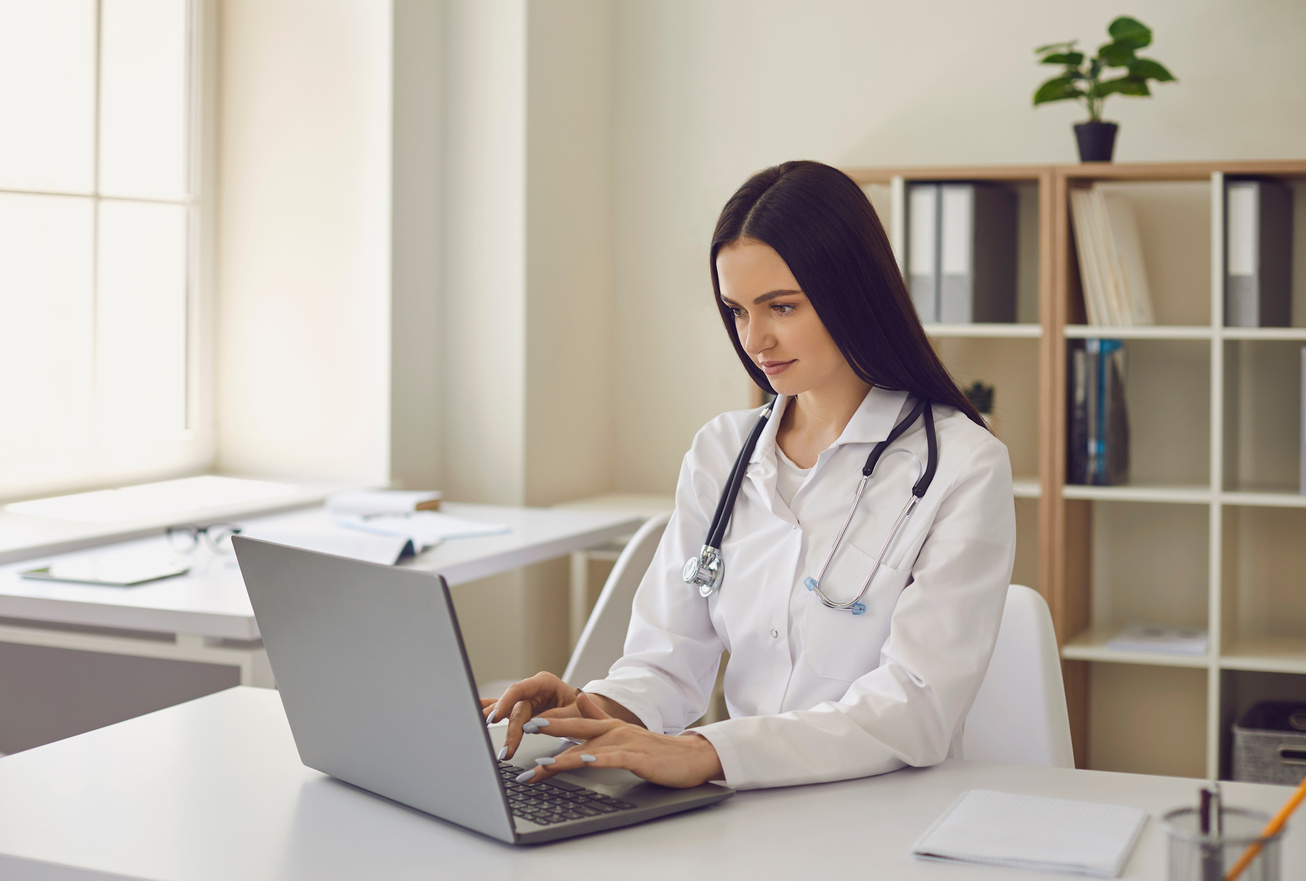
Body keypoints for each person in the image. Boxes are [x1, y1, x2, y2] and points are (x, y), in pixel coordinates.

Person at [484, 160, 1016, 791]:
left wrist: (712, 751)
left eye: (781, 307)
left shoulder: (960, 464)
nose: (755, 339)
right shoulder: (721, 453)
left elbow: (915, 710)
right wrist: (594, 711)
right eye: (736, 311)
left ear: (854, 294)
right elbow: (666, 663)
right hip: (746, 806)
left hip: (885, 808)